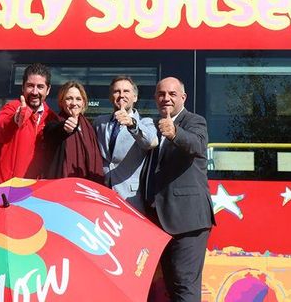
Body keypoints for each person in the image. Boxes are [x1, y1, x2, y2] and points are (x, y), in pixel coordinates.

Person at [143, 77, 214, 302]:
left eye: (172, 94)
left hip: (188, 220)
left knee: (185, 286)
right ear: (156, 98)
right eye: (161, 94)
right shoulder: (154, 125)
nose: (166, 98)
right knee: (173, 286)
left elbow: (197, 145)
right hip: (161, 220)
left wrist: (174, 133)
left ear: (183, 97)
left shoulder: (194, 121)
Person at [93, 76, 157, 213]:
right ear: (111, 97)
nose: (121, 95)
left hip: (130, 197)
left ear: (135, 97)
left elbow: (150, 142)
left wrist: (132, 124)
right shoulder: (100, 122)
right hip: (102, 195)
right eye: (117, 91)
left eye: (126, 91)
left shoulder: (145, 123)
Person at [0, 63, 56, 186]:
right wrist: (14, 120)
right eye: (30, 86)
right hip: (2, 189)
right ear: (23, 87)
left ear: (48, 90)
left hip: (31, 193)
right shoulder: (13, 108)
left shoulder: (52, 118)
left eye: (40, 87)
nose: (35, 92)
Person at [42, 81, 105, 183]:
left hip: (88, 188)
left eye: (78, 99)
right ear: (61, 102)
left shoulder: (89, 128)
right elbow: (53, 132)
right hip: (63, 188)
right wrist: (65, 128)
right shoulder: (54, 123)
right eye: (69, 98)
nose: (74, 103)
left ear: (83, 103)